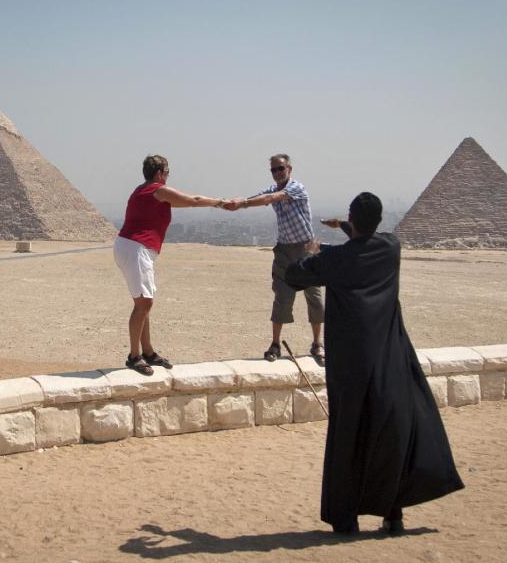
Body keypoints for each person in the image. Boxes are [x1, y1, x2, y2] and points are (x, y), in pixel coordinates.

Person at [285, 192, 464, 535]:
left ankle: (345, 518)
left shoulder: (335, 260)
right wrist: (347, 227)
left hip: (351, 364)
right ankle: (392, 515)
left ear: (353, 216)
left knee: (349, 435)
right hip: (389, 358)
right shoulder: (391, 248)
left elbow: (295, 276)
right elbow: (366, 238)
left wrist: (311, 253)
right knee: (389, 433)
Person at [115, 155, 230, 376]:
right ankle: (133, 356)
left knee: (144, 302)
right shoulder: (157, 190)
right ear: (159, 173)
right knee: (143, 304)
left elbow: (183, 202)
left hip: (133, 248)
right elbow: (193, 200)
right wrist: (221, 202)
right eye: (167, 172)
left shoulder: (142, 190)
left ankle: (147, 351)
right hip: (135, 248)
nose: (168, 177)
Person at [227, 154, 325, 363]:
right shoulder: (274, 189)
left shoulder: (296, 188)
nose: (277, 173)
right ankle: (275, 343)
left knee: (314, 297)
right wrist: (239, 203)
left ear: (289, 168)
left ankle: (317, 343)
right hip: (284, 250)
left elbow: (271, 198)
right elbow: (259, 197)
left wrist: (242, 203)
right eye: (273, 170)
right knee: (281, 297)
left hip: (307, 248)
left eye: (280, 168)